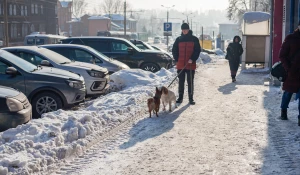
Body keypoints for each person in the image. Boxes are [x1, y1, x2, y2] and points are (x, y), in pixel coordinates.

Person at [172, 23, 201, 105]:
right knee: (181, 82)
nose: (184, 31)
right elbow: (174, 50)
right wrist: (177, 59)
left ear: (188, 29)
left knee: (190, 82)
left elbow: (197, 50)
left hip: (190, 64)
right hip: (181, 64)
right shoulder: (178, 39)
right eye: (183, 29)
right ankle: (180, 98)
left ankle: (191, 98)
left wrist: (193, 59)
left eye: (185, 29)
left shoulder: (194, 39)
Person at [279, 22, 300, 126]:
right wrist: (288, 68)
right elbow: (282, 55)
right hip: (292, 72)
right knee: (288, 93)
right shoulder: (291, 38)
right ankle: (283, 111)